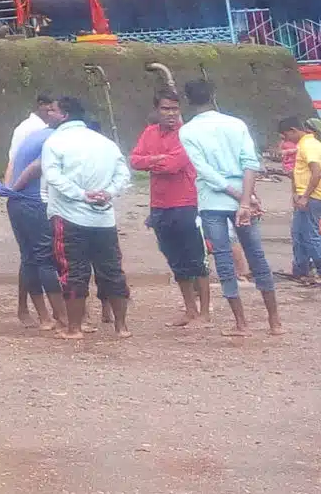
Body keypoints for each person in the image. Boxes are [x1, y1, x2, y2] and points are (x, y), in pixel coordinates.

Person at [179, 79, 281, 336]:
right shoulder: (236, 124)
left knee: (223, 259)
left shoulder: (188, 131)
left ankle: (241, 323)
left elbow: (205, 172)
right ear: (213, 95)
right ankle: (274, 321)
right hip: (243, 196)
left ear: (188, 100)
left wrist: (237, 195)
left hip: (213, 200)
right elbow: (250, 162)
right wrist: (246, 199)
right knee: (256, 255)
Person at [39, 96, 131, 339]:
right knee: (112, 271)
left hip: (69, 217)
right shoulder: (105, 143)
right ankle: (121, 327)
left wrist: (81, 195)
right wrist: (107, 193)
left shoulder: (54, 142)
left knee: (72, 272)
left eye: (53, 110)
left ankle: (74, 328)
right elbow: (123, 174)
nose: (49, 113)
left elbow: (53, 177)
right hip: (104, 219)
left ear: (65, 115)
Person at [129, 88, 210, 326]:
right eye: (166, 108)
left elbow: (174, 165)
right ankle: (190, 310)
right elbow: (135, 160)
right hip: (160, 205)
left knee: (196, 259)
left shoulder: (187, 134)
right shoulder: (150, 132)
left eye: (175, 108)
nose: (171, 113)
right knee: (174, 259)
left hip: (186, 203)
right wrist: (157, 161)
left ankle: (204, 312)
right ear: (157, 110)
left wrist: (151, 161)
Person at [0, 94, 66, 326]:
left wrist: (11, 192)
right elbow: (35, 167)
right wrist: (14, 189)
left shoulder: (37, 134)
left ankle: (44, 317)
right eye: (50, 110)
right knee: (45, 259)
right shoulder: (55, 137)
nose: (48, 113)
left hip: (20, 203)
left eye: (52, 110)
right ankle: (62, 317)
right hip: (33, 201)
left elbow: (14, 162)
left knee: (30, 259)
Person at [279, 114, 321, 286]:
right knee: (298, 233)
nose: (285, 140)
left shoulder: (309, 145)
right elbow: (300, 173)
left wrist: (304, 196)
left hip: (311, 197)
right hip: (305, 196)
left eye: (285, 136)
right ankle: (301, 270)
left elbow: (316, 172)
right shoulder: (304, 145)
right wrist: (296, 193)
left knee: (310, 235)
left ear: (293, 130)